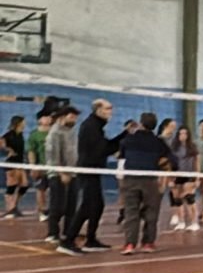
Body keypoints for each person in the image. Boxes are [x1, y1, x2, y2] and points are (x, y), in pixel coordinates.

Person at [60, 99, 126, 256]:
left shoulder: (97, 126)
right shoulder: (90, 126)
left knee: (97, 206)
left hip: (94, 170)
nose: (110, 111)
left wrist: (124, 135)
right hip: (87, 170)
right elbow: (104, 149)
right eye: (108, 108)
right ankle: (68, 241)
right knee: (88, 206)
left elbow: (105, 146)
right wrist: (124, 137)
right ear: (98, 110)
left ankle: (91, 239)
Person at [119, 113, 173, 255]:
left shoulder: (129, 139)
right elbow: (170, 159)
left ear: (141, 123)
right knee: (151, 212)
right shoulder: (158, 142)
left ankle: (130, 244)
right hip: (150, 180)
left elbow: (121, 155)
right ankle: (148, 243)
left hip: (131, 179)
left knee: (131, 211)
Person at [45, 106, 80, 245]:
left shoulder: (72, 132)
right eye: (71, 117)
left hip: (73, 173)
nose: (74, 120)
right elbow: (53, 155)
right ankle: (52, 233)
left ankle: (68, 232)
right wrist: (62, 173)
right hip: (57, 174)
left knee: (72, 205)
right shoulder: (55, 133)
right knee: (57, 205)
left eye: (75, 118)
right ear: (62, 117)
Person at [170, 126, 201, 232]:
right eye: (180, 133)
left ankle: (194, 222)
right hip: (177, 175)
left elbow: (197, 163)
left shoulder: (192, 147)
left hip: (189, 175)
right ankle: (181, 222)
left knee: (189, 198)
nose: (182, 136)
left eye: (185, 133)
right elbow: (170, 163)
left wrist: (197, 178)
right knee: (177, 199)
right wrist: (170, 178)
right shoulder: (174, 147)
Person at [26, 111, 52, 222]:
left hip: (54, 167)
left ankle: (53, 210)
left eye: (49, 117)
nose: (48, 119)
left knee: (55, 190)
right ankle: (42, 211)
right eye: (45, 117)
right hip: (41, 167)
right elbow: (31, 151)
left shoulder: (55, 132)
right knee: (41, 190)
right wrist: (33, 166)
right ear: (40, 120)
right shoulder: (34, 135)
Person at [2, 116, 29, 218]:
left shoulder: (20, 135)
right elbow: (2, 143)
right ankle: (9, 208)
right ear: (18, 123)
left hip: (20, 162)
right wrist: (8, 150)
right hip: (11, 162)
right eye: (23, 122)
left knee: (24, 185)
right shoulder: (9, 135)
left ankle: (14, 205)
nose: (25, 124)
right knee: (12, 185)